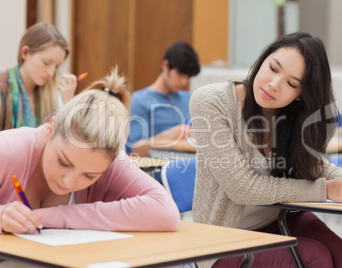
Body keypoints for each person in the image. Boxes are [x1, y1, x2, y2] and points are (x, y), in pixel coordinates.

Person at [189, 32, 342, 268]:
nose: (273, 85)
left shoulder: (288, 113)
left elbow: (313, 165)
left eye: (291, 84)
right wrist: (325, 190)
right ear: (263, 59)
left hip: (280, 217)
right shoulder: (210, 101)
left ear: (301, 96)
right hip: (221, 239)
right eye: (273, 68)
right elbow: (242, 188)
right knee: (315, 258)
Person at [0, 67, 180, 234]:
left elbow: (166, 213)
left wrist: (54, 216)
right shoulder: (7, 149)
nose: (69, 182)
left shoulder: (112, 161)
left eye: (89, 176)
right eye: (63, 162)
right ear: (50, 129)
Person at [126, 41, 201, 157]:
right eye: (180, 74)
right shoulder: (140, 100)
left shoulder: (188, 98)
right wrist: (167, 136)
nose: (184, 82)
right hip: (156, 165)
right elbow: (135, 150)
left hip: (188, 160)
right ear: (165, 66)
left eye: (188, 77)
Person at [0, 22, 78, 131]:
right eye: (46, 63)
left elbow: (67, 138)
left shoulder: (54, 94)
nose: (51, 73)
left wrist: (68, 103)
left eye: (56, 66)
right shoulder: (3, 88)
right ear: (25, 53)